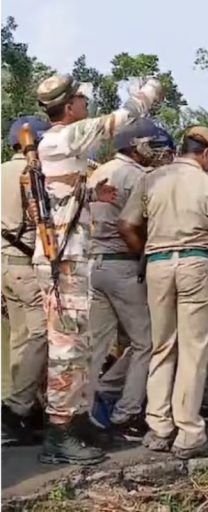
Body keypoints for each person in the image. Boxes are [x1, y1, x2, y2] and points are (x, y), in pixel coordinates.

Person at [33, 74, 161, 465]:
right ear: (69, 107)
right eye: (81, 101)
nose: (86, 105)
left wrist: (91, 193)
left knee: (82, 344)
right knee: (66, 348)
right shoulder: (63, 137)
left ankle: (76, 419)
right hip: (62, 260)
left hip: (71, 256)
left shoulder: (56, 146)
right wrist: (150, 92)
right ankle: (59, 431)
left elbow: (60, 193)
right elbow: (120, 118)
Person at [118, 126, 208, 459]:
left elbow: (125, 224)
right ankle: (189, 432)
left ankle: (159, 427)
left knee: (162, 346)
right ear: (207, 154)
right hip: (196, 263)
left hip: (156, 263)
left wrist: (149, 253)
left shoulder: (151, 178)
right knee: (194, 349)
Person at [86, 118, 174, 441]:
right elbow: (138, 224)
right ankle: (127, 413)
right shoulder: (139, 176)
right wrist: (145, 256)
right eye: (152, 144)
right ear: (136, 145)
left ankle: (86, 405)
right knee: (146, 342)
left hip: (94, 265)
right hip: (123, 264)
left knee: (95, 344)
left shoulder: (98, 172)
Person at [1, 116, 50, 445]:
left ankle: (19, 402)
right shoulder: (31, 175)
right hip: (24, 262)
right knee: (39, 334)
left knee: (17, 336)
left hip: (4, 263)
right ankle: (16, 409)